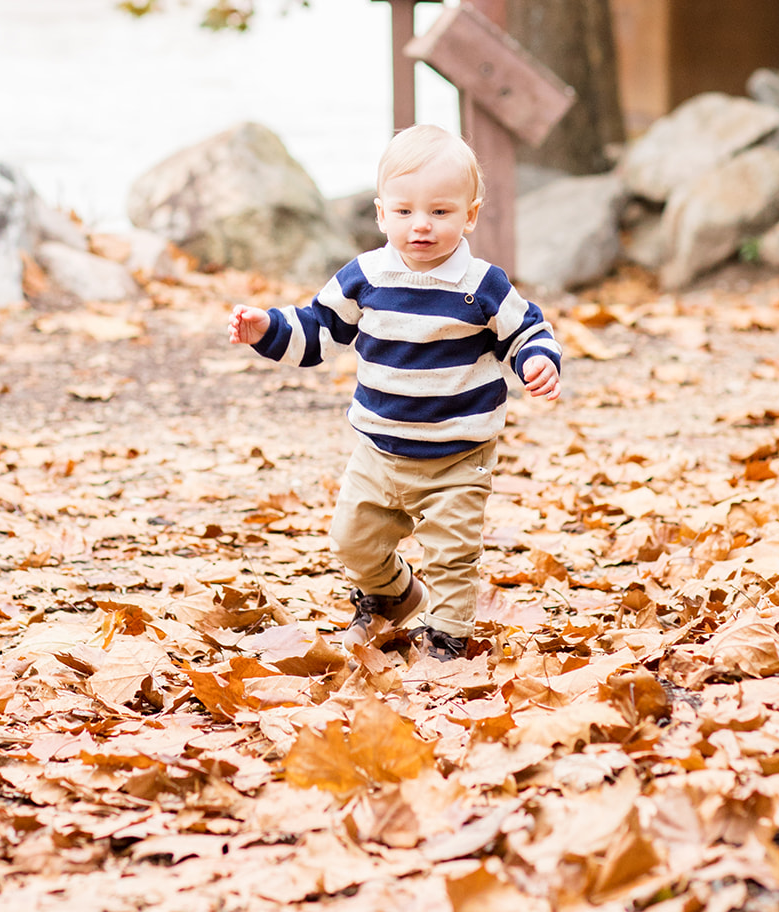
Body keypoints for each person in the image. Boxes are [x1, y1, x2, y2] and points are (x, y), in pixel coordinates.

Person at [227, 124, 561, 661]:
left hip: (458, 454)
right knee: (351, 540)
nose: (421, 226)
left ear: (470, 215)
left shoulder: (482, 285)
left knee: (453, 555)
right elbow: (318, 331)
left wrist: (538, 360)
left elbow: (527, 331)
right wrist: (266, 328)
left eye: (440, 212)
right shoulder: (366, 277)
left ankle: (447, 642)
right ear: (382, 213)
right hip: (378, 451)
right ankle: (393, 595)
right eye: (404, 212)